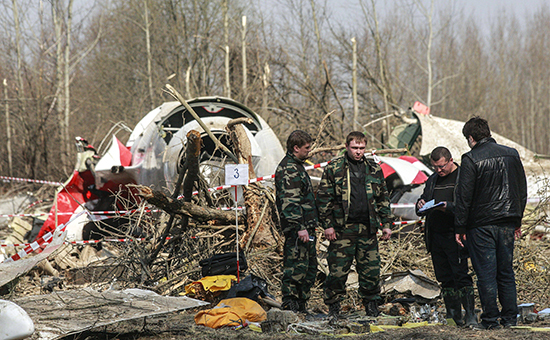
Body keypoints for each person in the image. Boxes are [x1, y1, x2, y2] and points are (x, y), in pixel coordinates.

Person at [454, 117, 527, 330]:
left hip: (481, 225)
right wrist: (517, 219)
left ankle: (490, 320)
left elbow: (464, 197)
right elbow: (521, 190)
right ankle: (510, 319)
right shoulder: (512, 154)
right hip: (507, 222)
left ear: (471, 138)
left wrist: (459, 228)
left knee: (486, 274)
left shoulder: (470, 158)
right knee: (505, 272)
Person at [317, 131, 393, 318]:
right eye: (355, 148)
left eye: (361, 148)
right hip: (343, 230)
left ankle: (371, 305)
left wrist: (387, 224)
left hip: (368, 229)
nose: (358, 152)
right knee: (337, 271)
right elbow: (323, 199)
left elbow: (383, 198)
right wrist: (328, 225)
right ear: (347, 147)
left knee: (371, 271)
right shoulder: (334, 168)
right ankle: (334, 307)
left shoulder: (374, 168)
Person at [416, 147, 477, 327]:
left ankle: (471, 315)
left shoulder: (462, 177)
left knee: (461, 275)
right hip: (435, 236)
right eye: (435, 167)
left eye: (441, 166)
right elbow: (424, 200)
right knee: (444, 277)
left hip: (456, 234)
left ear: (451, 160)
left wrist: (448, 207)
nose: (438, 170)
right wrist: (419, 204)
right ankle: (453, 316)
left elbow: (468, 206)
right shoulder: (433, 179)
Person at [275, 130, 319, 313]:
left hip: (307, 228)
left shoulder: (297, 166)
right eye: (306, 148)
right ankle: (291, 305)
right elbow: (289, 201)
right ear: (296, 148)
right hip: (297, 230)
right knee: (295, 269)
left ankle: (301, 305)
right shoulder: (289, 169)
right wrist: (300, 227)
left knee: (309, 269)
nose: (309, 151)